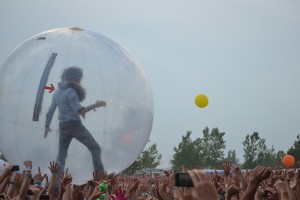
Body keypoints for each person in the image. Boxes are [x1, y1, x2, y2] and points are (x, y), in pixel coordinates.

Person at [44, 66, 106, 184]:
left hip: (63, 126)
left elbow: (51, 110)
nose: (80, 81)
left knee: (61, 157)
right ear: (72, 78)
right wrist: (96, 105)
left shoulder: (57, 92)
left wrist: (47, 125)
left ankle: (55, 186)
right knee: (95, 148)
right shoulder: (71, 91)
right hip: (74, 125)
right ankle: (101, 181)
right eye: (78, 78)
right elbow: (79, 110)